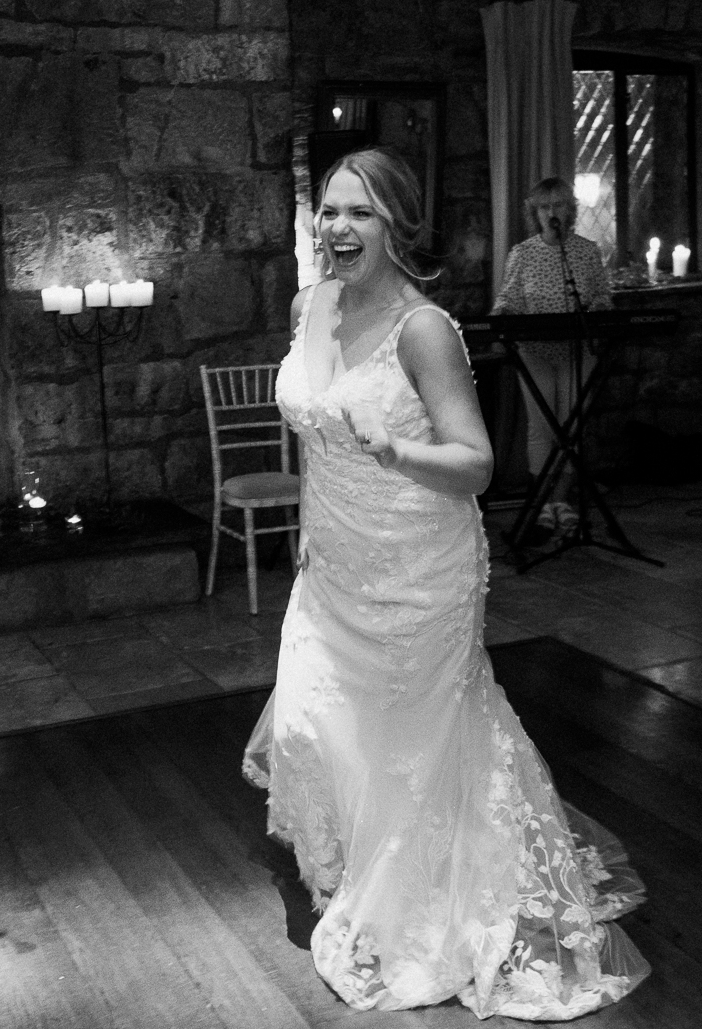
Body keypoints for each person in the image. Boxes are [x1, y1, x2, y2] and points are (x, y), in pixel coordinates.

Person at [244, 148, 648, 1018]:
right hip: (335, 562)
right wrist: (314, 532)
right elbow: (314, 435)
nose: (338, 227)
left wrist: (394, 449)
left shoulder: (422, 328)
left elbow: (476, 462)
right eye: (329, 210)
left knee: (414, 739)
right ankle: (366, 869)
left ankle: (430, 895)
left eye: (360, 213)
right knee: (319, 726)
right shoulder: (306, 306)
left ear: (398, 226)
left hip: (420, 564)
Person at [491, 176, 614, 530]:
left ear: (570, 211)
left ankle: (561, 500)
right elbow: (507, 301)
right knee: (542, 427)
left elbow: (602, 298)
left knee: (570, 426)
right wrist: (502, 317)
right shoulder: (523, 253)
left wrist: (600, 312)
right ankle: (546, 503)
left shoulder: (586, 251)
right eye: (544, 206)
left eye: (558, 205)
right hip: (535, 351)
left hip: (578, 351)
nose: (551, 212)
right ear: (535, 213)